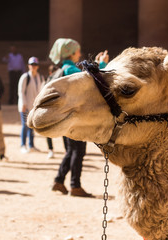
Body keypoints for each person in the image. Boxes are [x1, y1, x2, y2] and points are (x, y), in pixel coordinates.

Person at [49, 38, 109, 197]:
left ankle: (59, 180)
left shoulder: (64, 69)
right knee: (78, 151)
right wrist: (101, 65)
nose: (80, 54)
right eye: (77, 51)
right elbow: (90, 79)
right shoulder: (69, 70)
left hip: (67, 117)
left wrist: (96, 64)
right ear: (71, 53)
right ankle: (75, 186)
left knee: (71, 151)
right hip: (74, 118)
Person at [18, 57, 44, 153]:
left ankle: (31, 145)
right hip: (25, 105)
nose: (33, 67)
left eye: (35, 65)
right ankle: (23, 145)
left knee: (32, 126)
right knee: (25, 125)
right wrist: (23, 104)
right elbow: (21, 92)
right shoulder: (25, 77)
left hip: (34, 106)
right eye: (32, 65)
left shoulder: (40, 77)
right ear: (28, 66)